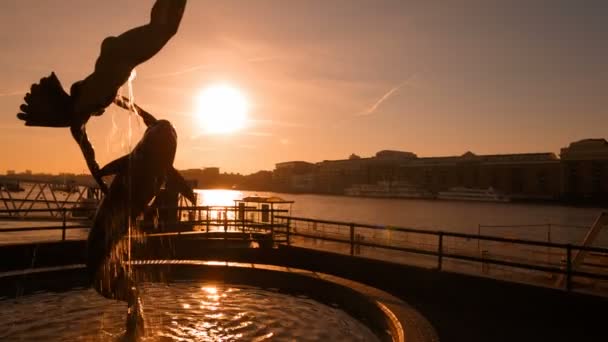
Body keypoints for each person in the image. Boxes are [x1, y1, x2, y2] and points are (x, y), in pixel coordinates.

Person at [17, 0, 187, 194]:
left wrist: (101, 181)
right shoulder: (90, 97)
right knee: (163, 29)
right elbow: (121, 102)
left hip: (120, 56)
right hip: (117, 55)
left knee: (163, 29)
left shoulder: (80, 113)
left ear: (63, 114)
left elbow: (89, 154)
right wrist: (145, 116)